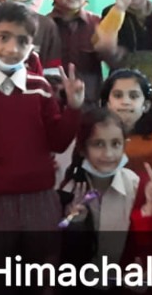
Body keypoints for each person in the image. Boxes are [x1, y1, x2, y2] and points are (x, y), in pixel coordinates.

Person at [0, 2, 87, 244]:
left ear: (32, 45)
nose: (12, 48)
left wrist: (73, 108)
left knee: (45, 262)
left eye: (22, 41)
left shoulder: (40, 87)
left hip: (41, 195)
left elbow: (58, 142)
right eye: (3, 37)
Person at [58, 107, 142, 264]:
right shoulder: (68, 191)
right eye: (98, 144)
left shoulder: (135, 186)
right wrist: (76, 223)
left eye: (116, 144)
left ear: (125, 145)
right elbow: (64, 252)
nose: (108, 154)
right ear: (83, 149)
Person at [48, 0, 105, 103]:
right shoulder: (43, 26)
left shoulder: (97, 24)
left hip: (90, 105)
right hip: (53, 104)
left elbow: (113, 61)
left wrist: (110, 48)